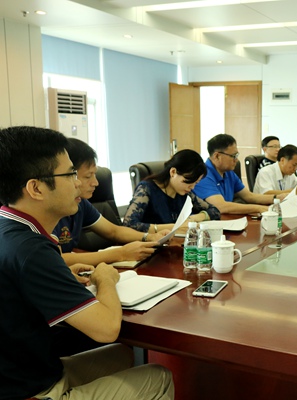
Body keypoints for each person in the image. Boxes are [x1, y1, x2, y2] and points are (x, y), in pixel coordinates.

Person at [0, 126, 174, 400]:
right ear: (36, 188)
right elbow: (106, 329)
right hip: (30, 392)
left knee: (120, 355)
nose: (79, 184)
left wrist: (61, 273)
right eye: (71, 174)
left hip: (29, 371)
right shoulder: (32, 250)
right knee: (158, 377)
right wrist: (106, 279)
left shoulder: (10, 227)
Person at [51, 138, 168, 266]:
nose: (96, 183)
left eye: (95, 175)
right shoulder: (49, 208)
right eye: (88, 176)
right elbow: (54, 258)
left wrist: (149, 237)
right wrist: (121, 253)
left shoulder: (81, 203)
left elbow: (113, 231)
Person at [124, 149, 220, 231]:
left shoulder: (185, 193)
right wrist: (174, 227)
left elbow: (215, 211)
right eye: (188, 182)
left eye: (195, 183)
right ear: (173, 172)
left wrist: (194, 218)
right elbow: (129, 224)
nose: (192, 187)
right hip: (151, 244)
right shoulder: (146, 189)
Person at [193, 133, 287, 214]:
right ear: (217, 156)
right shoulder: (203, 175)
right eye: (233, 156)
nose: (236, 160)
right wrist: (258, 208)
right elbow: (221, 206)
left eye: (237, 155)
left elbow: (249, 196)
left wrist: (277, 197)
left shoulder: (229, 173)